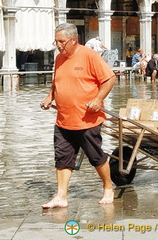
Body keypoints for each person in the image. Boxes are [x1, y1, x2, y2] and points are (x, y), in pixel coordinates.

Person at [40, 23, 116, 209]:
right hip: (64, 119)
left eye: (62, 42)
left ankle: (108, 187)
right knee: (62, 158)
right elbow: (56, 83)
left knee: (96, 156)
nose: (58, 45)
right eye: (56, 41)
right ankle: (61, 196)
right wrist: (50, 97)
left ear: (73, 40)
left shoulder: (89, 55)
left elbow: (109, 78)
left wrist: (98, 99)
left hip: (87, 118)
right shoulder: (59, 58)